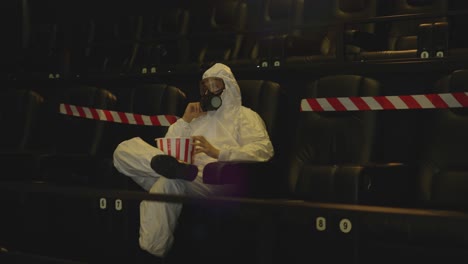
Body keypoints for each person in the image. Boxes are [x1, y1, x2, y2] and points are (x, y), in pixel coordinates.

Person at [112, 62, 274, 260]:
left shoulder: (245, 116)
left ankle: (149, 254)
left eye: (214, 85)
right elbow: (169, 147)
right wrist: (185, 121)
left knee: (168, 182)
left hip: (215, 180)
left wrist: (219, 153)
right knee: (124, 149)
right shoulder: (198, 117)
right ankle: (175, 170)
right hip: (184, 173)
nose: (208, 91)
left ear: (228, 86)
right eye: (204, 86)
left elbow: (264, 150)